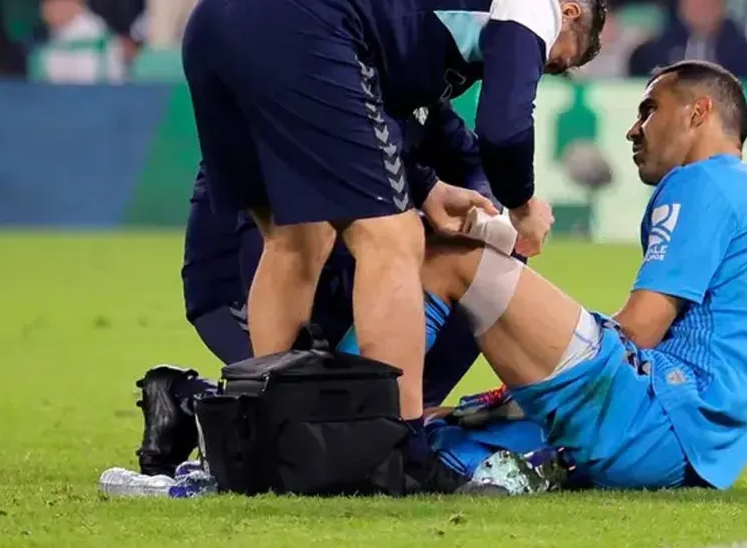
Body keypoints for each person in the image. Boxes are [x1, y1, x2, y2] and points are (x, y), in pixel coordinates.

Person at [390, 60, 747, 490]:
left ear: (699, 113)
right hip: (688, 461)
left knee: (452, 256)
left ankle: (378, 424)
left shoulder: (700, 184)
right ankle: (466, 449)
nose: (633, 129)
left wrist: (516, 386)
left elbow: (639, 331)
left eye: (649, 110)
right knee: (465, 424)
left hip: (652, 415)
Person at [179, 0, 606, 484]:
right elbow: (503, 127)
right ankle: (398, 452)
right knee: (393, 238)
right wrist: (521, 205)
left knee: (296, 237)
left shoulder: (431, 2)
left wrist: (426, 187)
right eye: (561, 59)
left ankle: (270, 437)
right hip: (299, 21)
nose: (550, 65)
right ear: (570, 15)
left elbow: (372, 103)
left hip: (217, 13)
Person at [136, 104, 511, 482]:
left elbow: (472, 160)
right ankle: (192, 403)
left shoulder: (414, 90)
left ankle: (396, 428)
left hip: (336, 278)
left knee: (488, 261)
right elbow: (287, 241)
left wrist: (481, 209)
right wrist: (421, 198)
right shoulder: (314, 87)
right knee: (308, 414)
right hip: (241, 280)